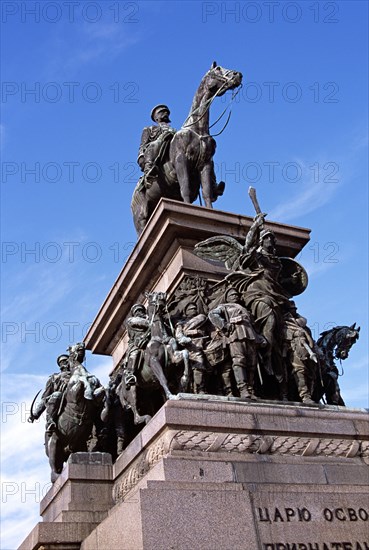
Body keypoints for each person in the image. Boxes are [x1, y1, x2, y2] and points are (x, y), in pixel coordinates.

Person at [208, 288, 263, 399]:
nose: (235, 296)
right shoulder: (224, 306)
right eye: (232, 295)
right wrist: (225, 325)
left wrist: (259, 337)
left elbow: (253, 325)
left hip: (250, 336)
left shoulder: (245, 309)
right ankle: (243, 389)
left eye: (236, 294)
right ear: (227, 297)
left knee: (252, 364)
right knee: (239, 361)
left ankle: (251, 390)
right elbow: (212, 314)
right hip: (235, 335)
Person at [283, 302, 317, 404]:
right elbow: (282, 334)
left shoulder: (303, 325)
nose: (294, 311)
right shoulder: (285, 323)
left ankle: (311, 394)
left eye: (295, 309)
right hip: (294, 350)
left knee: (311, 374)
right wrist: (294, 334)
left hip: (308, 351)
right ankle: (305, 396)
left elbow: (311, 340)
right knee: (300, 371)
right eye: (292, 309)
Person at [28, 354, 71, 433]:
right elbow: (45, 397)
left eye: (65, 361)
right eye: (61, 362)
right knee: (56, 394)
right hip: (60, 399)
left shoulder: (77, 374)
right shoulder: (54, 378)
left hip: (76, 398)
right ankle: (51, 422)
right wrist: (35, 413)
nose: (64, 363)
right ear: (59, 365)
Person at [137, 104, 176, 184]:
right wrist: (141, 157)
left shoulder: (174, 131)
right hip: (156, 153)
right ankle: (149, 172)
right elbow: (143, 145)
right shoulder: (149, 129)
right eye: (162, 112)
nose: (165, 113)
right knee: (155, 144)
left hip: (172, 152)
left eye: (166, 112)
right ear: (156, 117)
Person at [175, 302, 208, 394]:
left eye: (194, 308)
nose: (193, 310)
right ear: (186, 312)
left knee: (200, 368)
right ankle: (197, 388)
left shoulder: (201, 318)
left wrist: (188, 331)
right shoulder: (180, 324)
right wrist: (187, 338)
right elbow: (179, 337)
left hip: (201, 346)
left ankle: (201, 388)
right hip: (189, 348)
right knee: (196, 367)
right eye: (190, 309)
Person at [122, 304, 150, 388]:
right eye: (137, 311)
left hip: (150, 337)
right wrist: (151, 319)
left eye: (141, 310)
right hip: (136, 343)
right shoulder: (131, 320)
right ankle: (130, 374)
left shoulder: (149, 318)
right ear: (134, 313)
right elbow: (146, 324)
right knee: (135, 353)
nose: (139, 312)